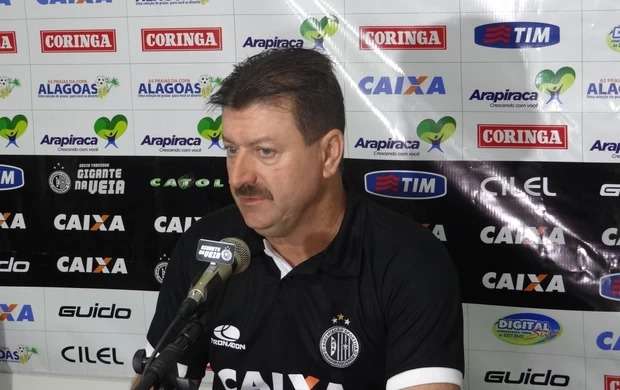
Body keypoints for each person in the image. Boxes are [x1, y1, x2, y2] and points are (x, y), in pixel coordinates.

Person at [144, 48, 464, 390]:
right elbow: (154, 378)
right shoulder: (207, 246)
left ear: (328, 154)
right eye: (232, 150)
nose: (239, 177)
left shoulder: (408, 261)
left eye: (265, 152)